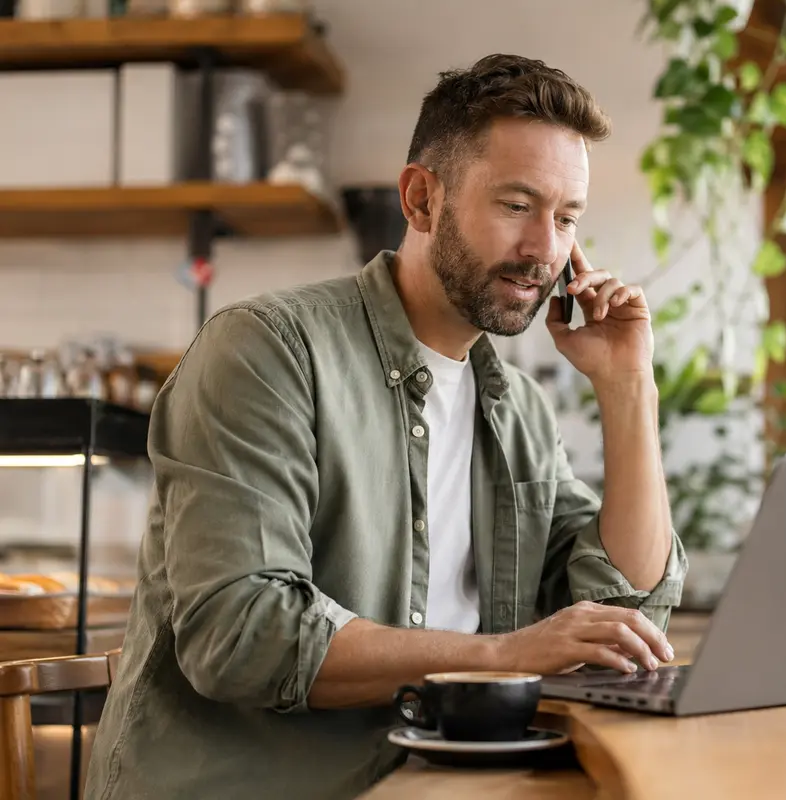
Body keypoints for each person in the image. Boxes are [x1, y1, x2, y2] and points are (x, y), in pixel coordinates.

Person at [84, 53, 687, 800]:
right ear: (421, 199)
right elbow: (240, 634)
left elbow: (623, 616)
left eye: (566, 219)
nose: (544, 251)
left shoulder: (518, 408)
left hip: (445, 781)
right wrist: (501, 653)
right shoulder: (267, 352)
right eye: (515, 205)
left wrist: (629, 387)